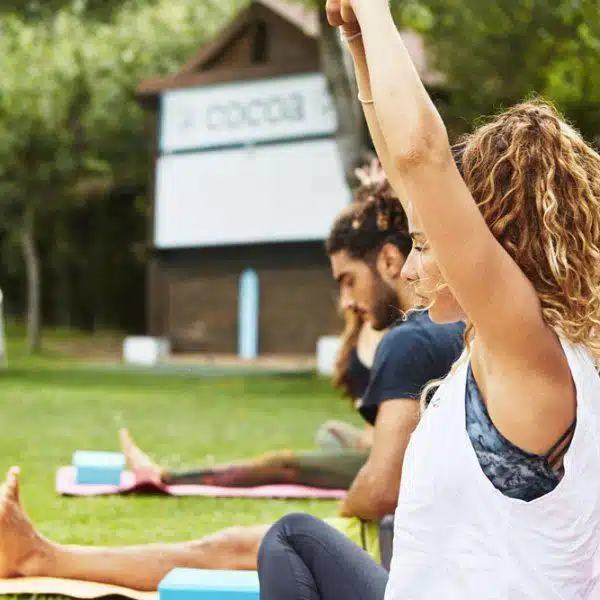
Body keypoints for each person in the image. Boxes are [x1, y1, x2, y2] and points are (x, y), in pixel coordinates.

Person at [256, 1, 600, 599]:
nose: (413, 266)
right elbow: (404, 165)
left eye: (426, 243)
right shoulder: (521, 346)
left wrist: (374, 7)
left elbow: (422, 159)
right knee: (293, 539)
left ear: (496, 245)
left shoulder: (528, 351)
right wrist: (360, 44)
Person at [0, 172, 465, 591]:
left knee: (230, 547)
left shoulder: (411, 339)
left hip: (402, 548)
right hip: (431, 540)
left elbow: (382, 488)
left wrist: (352, 501)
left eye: (348, 280)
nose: (345, 300)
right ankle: (47, 551)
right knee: (242, 535)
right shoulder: (457, 329)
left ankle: (44, 555)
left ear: (388, 259)